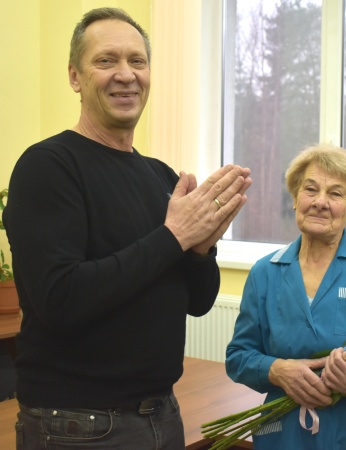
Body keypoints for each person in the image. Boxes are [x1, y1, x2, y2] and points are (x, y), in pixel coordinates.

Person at [3, 7, 251, 450]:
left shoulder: (159, 177)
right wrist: (174, 236)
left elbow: (198, 302)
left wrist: (200, 249)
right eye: (106, 61)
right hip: (77, 428)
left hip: (162, 415)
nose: (126, 74)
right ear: (76, 77)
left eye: (137, 61)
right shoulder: (47, 167)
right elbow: (59, 300)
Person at [225, 144, 346, 449]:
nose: (320, 202)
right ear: (296, 198)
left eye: (336, 194)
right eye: (310, 189)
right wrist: (276, 370)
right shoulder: (265, 273)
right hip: (286, 437)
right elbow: (238, 357)